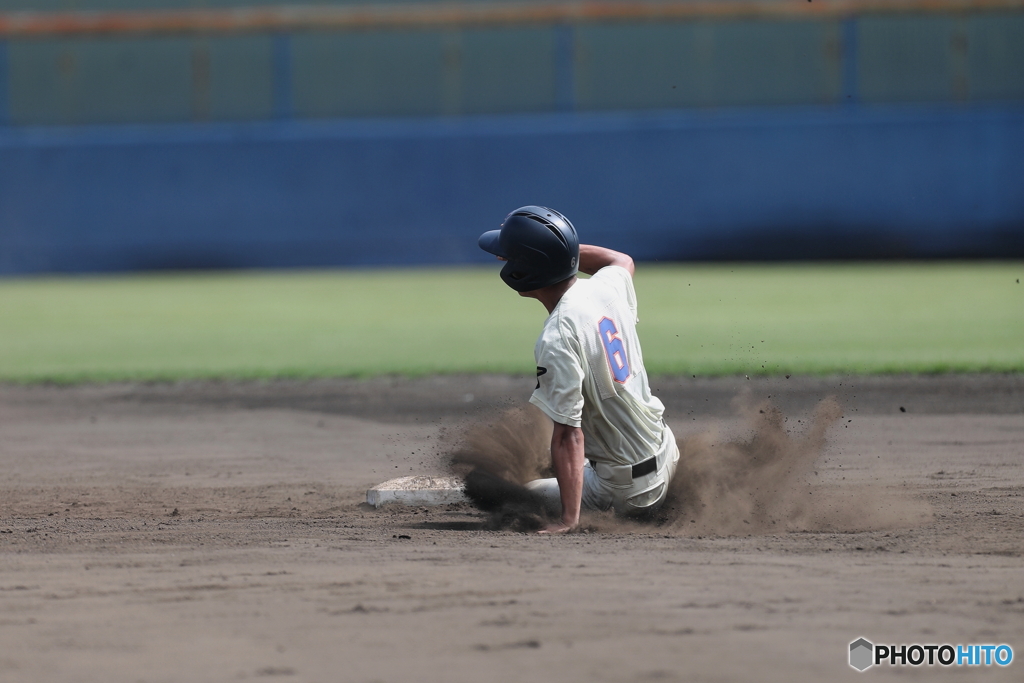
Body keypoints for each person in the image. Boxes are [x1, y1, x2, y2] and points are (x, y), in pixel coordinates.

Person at [478, 206, 679, 534]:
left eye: (510, 256)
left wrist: (568, 520)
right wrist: (561, 252)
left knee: (522, 494)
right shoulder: (602, 288)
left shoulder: (558, 335)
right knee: (574, 455)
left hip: (632, 492)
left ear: (522, 272)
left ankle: (585, 505)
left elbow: (569, 435)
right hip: (667, 450)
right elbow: (620, 261)